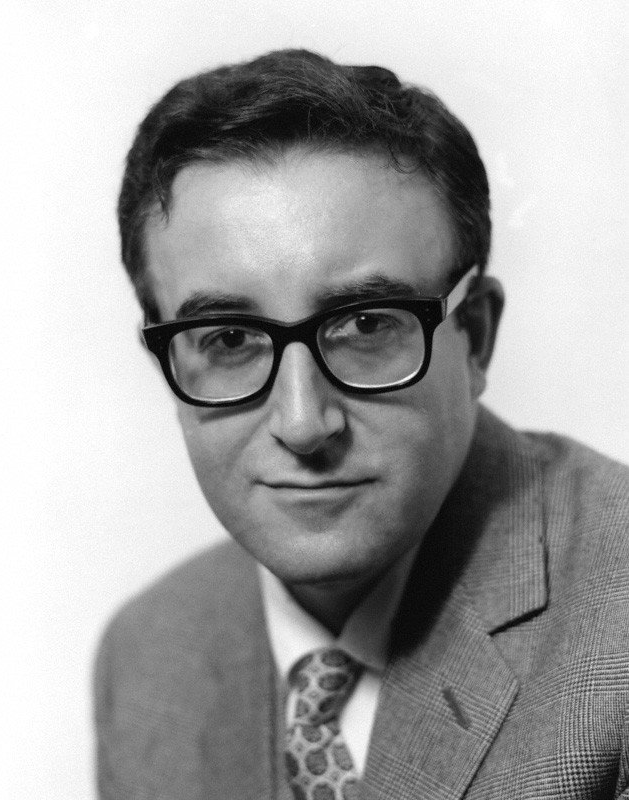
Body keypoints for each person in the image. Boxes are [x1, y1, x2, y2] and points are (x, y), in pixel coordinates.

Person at [94, 49, 629, 800]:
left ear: (474, 336)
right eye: (228, 339)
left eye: (366, 325)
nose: (302, 423)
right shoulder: (146, 658)